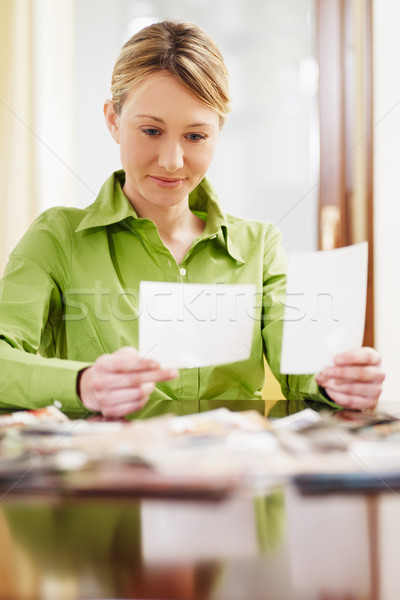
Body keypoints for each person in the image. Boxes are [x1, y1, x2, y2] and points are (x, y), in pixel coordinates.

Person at [0, 21, 385, 419]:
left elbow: (302, 367)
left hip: (235, 475)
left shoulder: (259, 246)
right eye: (151, 130)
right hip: (108, 475)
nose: (171, 161)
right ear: (113, 121)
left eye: (195, 136)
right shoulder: (57, 238)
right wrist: (82, 383)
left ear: (218, 131)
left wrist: (337, 380)